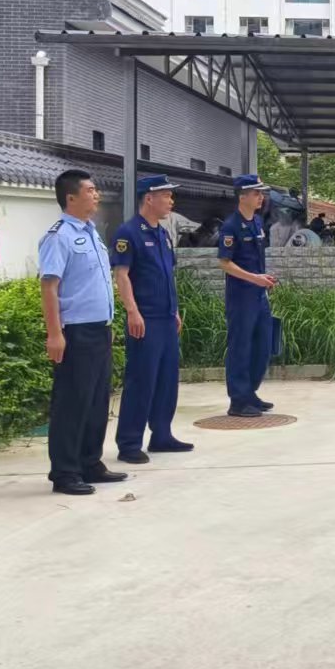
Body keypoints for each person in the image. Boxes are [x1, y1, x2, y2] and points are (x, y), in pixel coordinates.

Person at [38, 170, 123, 495]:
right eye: (90, 190)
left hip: (99, 331)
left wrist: (108, 324)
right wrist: (54, 334)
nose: (96, 194)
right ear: (71, 197)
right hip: (75, 332)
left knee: (98, 400)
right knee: (72, 402)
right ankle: (65, 472)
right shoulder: (58, 237)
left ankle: (90, 462)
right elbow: (49, 287)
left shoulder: (91, 233)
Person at [111, 175, 193, 464]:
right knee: (141, 380)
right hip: (144, 319)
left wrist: (175, 310)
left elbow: (167, 276)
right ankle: (130, 443)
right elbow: (122, 276)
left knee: (167, 380)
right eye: (166, 195)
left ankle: (162, 435)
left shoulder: (162, 233)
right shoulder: (129, 232)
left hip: (166, 318)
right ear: (149, 198)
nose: (171, 200)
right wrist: (132, 311)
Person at [218, 174, 278, 417]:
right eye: (256, 193)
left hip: (259, 295)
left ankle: (250, 392)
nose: (260, 197)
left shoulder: (257, 222)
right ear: (242, 196)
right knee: (240, 347)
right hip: (241, 297)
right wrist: (255, 278)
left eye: (261, 193)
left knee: (262, 345)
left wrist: (264, 278)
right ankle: (238, 401)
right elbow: (225, 263)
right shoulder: (231, 226)